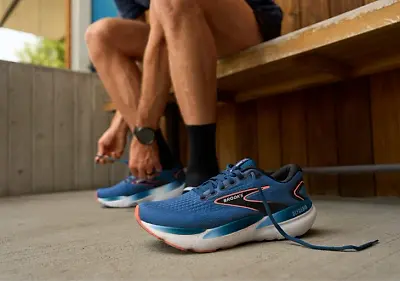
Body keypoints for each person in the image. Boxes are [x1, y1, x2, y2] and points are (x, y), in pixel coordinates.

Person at [86, 0, 283, 208]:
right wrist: (122, 124)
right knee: (100, 34)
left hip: (246, 21)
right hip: (178, 23)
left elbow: (162, 36)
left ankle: (203, 173)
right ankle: (160, 168)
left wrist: (143, 133)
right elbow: (152, 47)